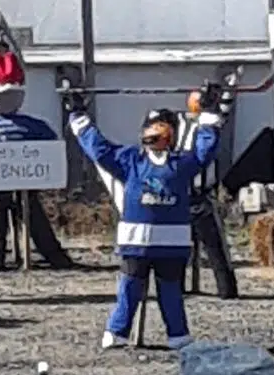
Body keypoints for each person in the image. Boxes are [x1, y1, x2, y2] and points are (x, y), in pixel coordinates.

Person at [65, 88, 229, 350]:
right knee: (129, 287)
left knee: (171, 291)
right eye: (152, 130)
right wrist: (78, 115)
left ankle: (178, 335)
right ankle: (118, 331)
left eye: (162, 131)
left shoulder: (182, 162)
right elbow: (99, 149)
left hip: (171, 244)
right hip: (136, 242)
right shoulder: (131, 160)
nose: (156, 136)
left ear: (172, 136)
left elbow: (205, 149)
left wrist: (209, 114)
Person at [0, 7, 73, 272]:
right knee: (2, 214)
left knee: (15, 215)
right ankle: (0, 257)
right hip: (3, 179)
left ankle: (16, 256)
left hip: (19, 178)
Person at [177, 82, 239, 299]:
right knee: (176, 246)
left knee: (215, 246)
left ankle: (227, 290)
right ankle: (175, 287)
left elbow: (222, 112)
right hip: (180, 194)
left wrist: (227, 90)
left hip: (202, 194)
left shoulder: (210, 124)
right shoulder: (178, 123)